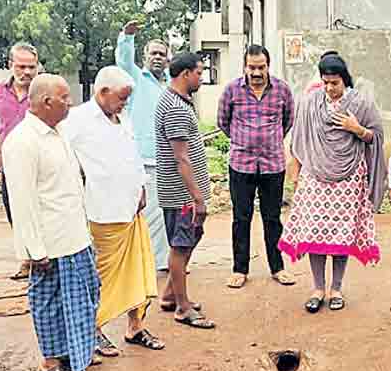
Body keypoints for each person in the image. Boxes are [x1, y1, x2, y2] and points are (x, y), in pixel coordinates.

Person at [3, 74, 100, 371]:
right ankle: (50, 362)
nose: (70, 103)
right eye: (65, 98)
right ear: (46, 102)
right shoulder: (22, 141)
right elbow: (22, 201)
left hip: (75, 236)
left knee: (83, 296)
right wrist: (34, 250)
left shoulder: (59, 132)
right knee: (50, 302)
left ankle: (75, 352)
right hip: (50, 242)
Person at [62, 66, 164, 358]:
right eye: (121, 97)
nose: (125, 103)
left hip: (131, 209)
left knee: (139, 270)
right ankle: (93, 329)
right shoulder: (78, 119)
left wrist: (141, 186)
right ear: (102, 92)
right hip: (103, 211)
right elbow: (63, 158)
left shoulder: (123, 117)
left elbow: (132, 155)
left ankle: (135, 327)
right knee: (103, 277)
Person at [279, 53, 388, 313]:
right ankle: (318, 289)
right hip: (315, 177)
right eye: (325, 82)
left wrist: (357, 129)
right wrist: (296, 173)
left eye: (335, 83)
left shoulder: (361, 103)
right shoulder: (310, 102)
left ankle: (336, 289)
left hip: (349, 178)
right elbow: (299, 139)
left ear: (345, 80)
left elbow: (376, 137)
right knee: (314, 232)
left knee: (342, 234)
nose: (329, 88)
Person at [217, 45, 297, 289]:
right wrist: (243, 141)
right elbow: (223, 122)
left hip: (273, 165)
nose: (256, 72)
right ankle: (239, 269)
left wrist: (270, 140)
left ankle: (278, 267)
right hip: (241, 165)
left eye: (261, 67)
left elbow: (288, 121)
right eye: (252, 67)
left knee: (272, 218)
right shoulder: (232, 90)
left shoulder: (282, 90)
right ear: (245, 67)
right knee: (241, 218)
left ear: (268, 66)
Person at [154, 53, 215, 329]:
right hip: (182, 195)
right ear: (185, 74)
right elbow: (181, 158)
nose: (201, 78)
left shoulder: (176, 101)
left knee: (189, 239)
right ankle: (182, 307)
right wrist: (197, 197)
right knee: (180, 247)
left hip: (181, 193)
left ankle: (170, 295)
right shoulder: (176, 108)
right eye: (199, 73)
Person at [116, 20, 171, 274]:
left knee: (165, 212)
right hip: (144, 158)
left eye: (162, 54)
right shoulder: (137, 78)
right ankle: (150, 261)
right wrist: (127, 37)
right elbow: (124, 62)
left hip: (169, 158)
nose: (157, 58)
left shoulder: (170, 84)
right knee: (147, 211)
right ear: (145, 57)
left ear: (168, 59)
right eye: (153, 54)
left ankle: (162, 260)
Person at [0, 42, 40, 281]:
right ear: (10, 65)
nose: (26, 72)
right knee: (15, 211)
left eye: (31, 67)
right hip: (10, 165)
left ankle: (43, 257)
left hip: (39, 164)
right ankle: (26, 259)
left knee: (40, 210)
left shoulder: (43, 92)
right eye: (21, 66)